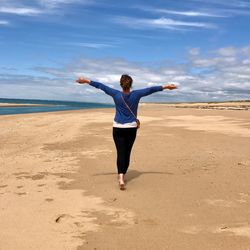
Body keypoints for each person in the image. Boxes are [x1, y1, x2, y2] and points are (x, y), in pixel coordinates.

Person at [76, 75, 177, 190]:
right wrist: (166, 87)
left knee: (120, 153)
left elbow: (101, 86)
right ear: (131, 84)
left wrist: (86, 81)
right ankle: (123, 175)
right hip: (131, 128)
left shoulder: (115, 94)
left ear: (121, 84)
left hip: (118, 127)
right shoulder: (136, 94)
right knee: (127, 153)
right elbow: (151, 89)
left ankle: (120, 177)